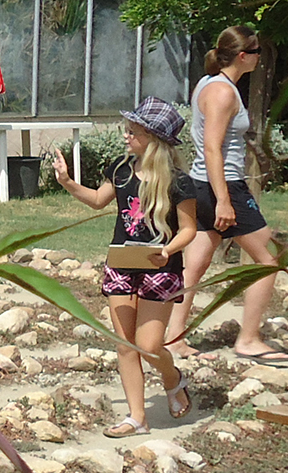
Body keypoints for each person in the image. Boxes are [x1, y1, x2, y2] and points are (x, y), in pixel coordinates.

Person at [52, 98, 201, 437]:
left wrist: (168, 249)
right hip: (122, 263)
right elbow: (96, 200)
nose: (125, 136)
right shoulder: (120, 169)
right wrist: (66, 182)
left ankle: (172, 378)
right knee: (124, 344)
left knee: (148, 345)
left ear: (152, 137)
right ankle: (137, 418)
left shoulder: (179, 182)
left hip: (160, 266)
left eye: (132, 131)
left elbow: (189, 229)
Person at [170, 26, 288, 365]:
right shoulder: (223, 92)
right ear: (243, 56)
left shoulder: (209, 84)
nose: (259, 59)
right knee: (266, 262)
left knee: (195, 263)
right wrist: (224, 199)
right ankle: (249, 339)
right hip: (223, 184)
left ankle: (173, 337)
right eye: (256, 53)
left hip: (204, 183)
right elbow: (211, 147)